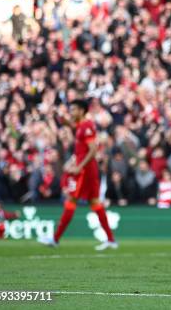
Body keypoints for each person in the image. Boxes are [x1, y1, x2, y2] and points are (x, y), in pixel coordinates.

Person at [38, 99, 117, 250]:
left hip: (84, 170)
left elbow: (93, 149)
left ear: (81, 111)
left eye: (74, 109)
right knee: (95, 203)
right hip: (87, 169)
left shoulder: (86, 125)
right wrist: (59, 117)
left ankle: (55, 239)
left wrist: (78, 166)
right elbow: (70, 125)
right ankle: (111, 240)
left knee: (71, 199)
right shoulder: (80, 125)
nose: (72, 112)